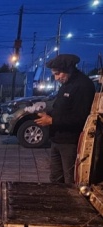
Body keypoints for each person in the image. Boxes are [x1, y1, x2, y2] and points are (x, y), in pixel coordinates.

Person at [35, 54, 95, 184]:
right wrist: (48, 113)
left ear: (68, 69)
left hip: (70, 142)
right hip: (57, 139)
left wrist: (52, 121)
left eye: (58, 74)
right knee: (56, 178)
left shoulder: (83, 85)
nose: (56, 78)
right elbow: (62, 108)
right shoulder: (66, 83)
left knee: (70, 180)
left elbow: (80, 118)